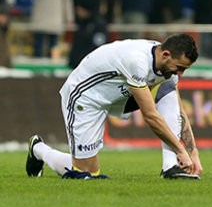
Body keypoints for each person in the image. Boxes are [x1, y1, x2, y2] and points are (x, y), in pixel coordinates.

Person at [26, 33, 202, 180]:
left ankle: (170, 167)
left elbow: (178, 111)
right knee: (86, 173)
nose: (180, 74)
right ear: (166, 55)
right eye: (179, 68)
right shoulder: (137, 60)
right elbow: (150, 116)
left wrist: (192, 152)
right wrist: (181, 150)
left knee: (168, 89)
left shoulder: (166, 62)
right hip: (85, 98)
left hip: (118, 95)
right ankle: (38, 149)